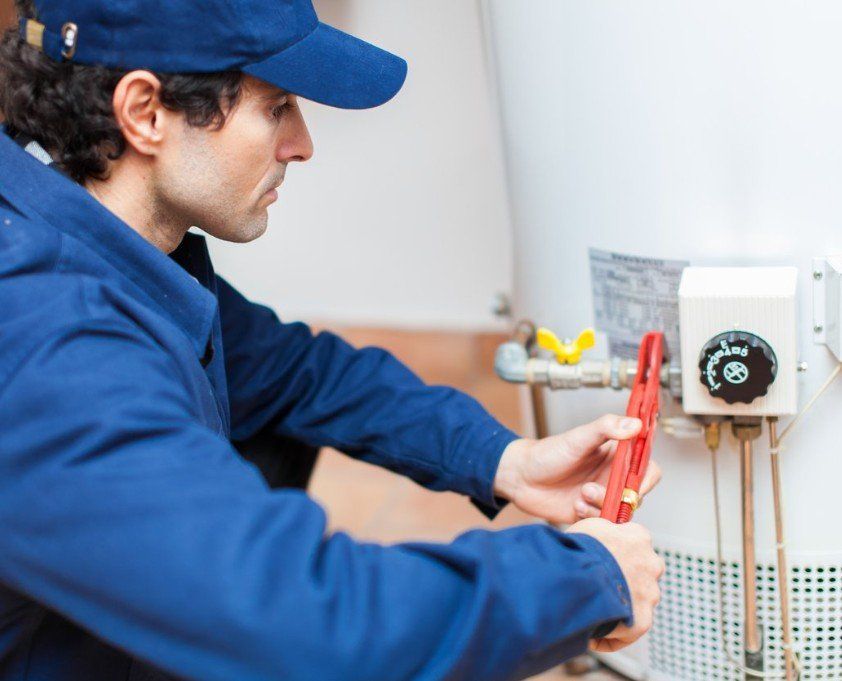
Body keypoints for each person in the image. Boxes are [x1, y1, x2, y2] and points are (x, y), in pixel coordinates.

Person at [0, 0, 664, 679]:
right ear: (144, 112)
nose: (302, 143)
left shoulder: (103, 243)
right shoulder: (45, 341)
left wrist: (505, 459)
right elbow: (309, 623)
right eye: (277, 104)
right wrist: (585, 580)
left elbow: (299, 372)